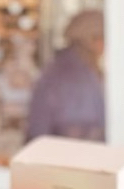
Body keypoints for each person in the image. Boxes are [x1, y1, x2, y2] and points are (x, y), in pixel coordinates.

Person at [26, 9, 105, 142]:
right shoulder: (72, 72)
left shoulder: (78, 65)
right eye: (103, 38)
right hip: (67, 149)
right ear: (92, 39)